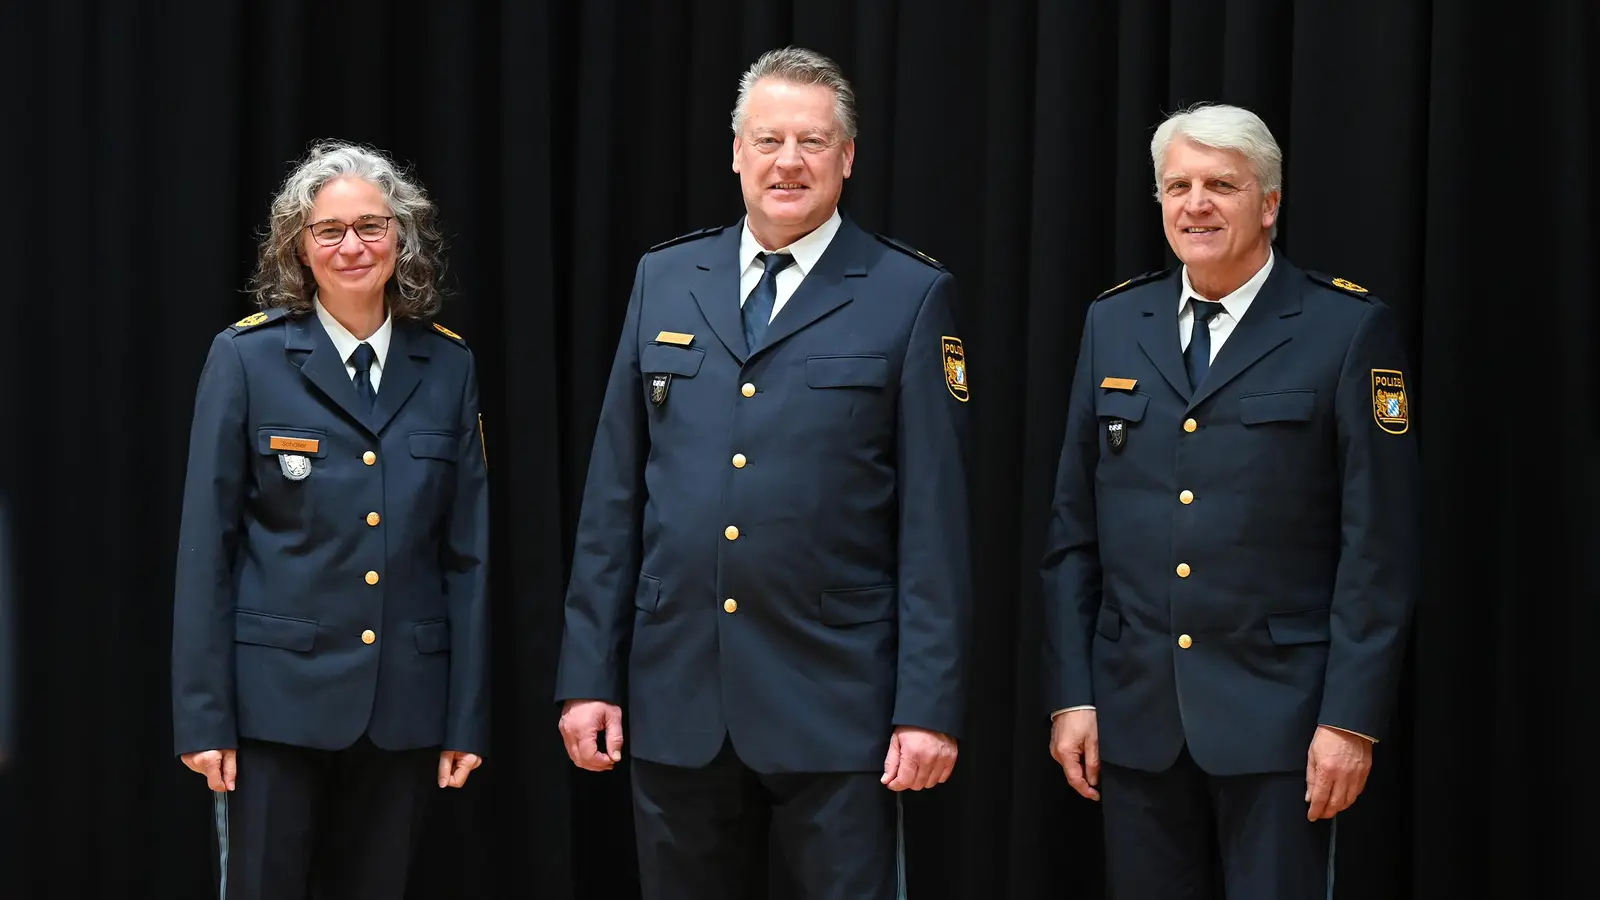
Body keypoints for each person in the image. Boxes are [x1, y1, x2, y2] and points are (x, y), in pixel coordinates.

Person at [555, 46, 974, 900]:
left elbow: (936, 522)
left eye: (813, 142)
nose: (789, 162)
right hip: (677, 695)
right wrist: (587, 677)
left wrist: (926, 704)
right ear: (736, 151)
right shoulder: (666, 278)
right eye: (769, 139)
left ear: (847, 158)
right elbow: (613, 497)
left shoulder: (908, 293)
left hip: (838, 704)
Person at [1040, 103, 1420, 899]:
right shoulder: (1114, 321)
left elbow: (1377, 546)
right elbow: (1073, 533)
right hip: (1135, 715)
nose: (1196, 205)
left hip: (1283, 719)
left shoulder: (1343, 329)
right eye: (1177, 186)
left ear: (1269, 204)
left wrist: (1349, 719)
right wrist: (1073, 693)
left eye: (1221, 185)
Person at [171, 141, 490, 900]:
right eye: (330, 231)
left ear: (401, 240)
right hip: (275, 706)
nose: (353, 246)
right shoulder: (246, 359)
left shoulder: (447, 366)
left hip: (404, 706)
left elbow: (468, 557)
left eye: (373, 227)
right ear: (300, 249)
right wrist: (202, 716)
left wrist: (465, 719)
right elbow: (205, 548)